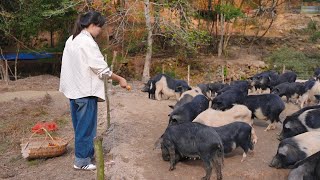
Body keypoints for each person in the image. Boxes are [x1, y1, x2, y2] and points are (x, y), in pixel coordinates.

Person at [59, 11, 128, 170]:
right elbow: (101, 69)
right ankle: (82, 161)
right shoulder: (87, 42)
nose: (100, 30)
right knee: (87, 128)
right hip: (85, 91)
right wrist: (120, 79)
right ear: (92, 25)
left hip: (73, 90)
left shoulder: (72, 39)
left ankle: (86, 156)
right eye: (100, 27)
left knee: (80, 127)